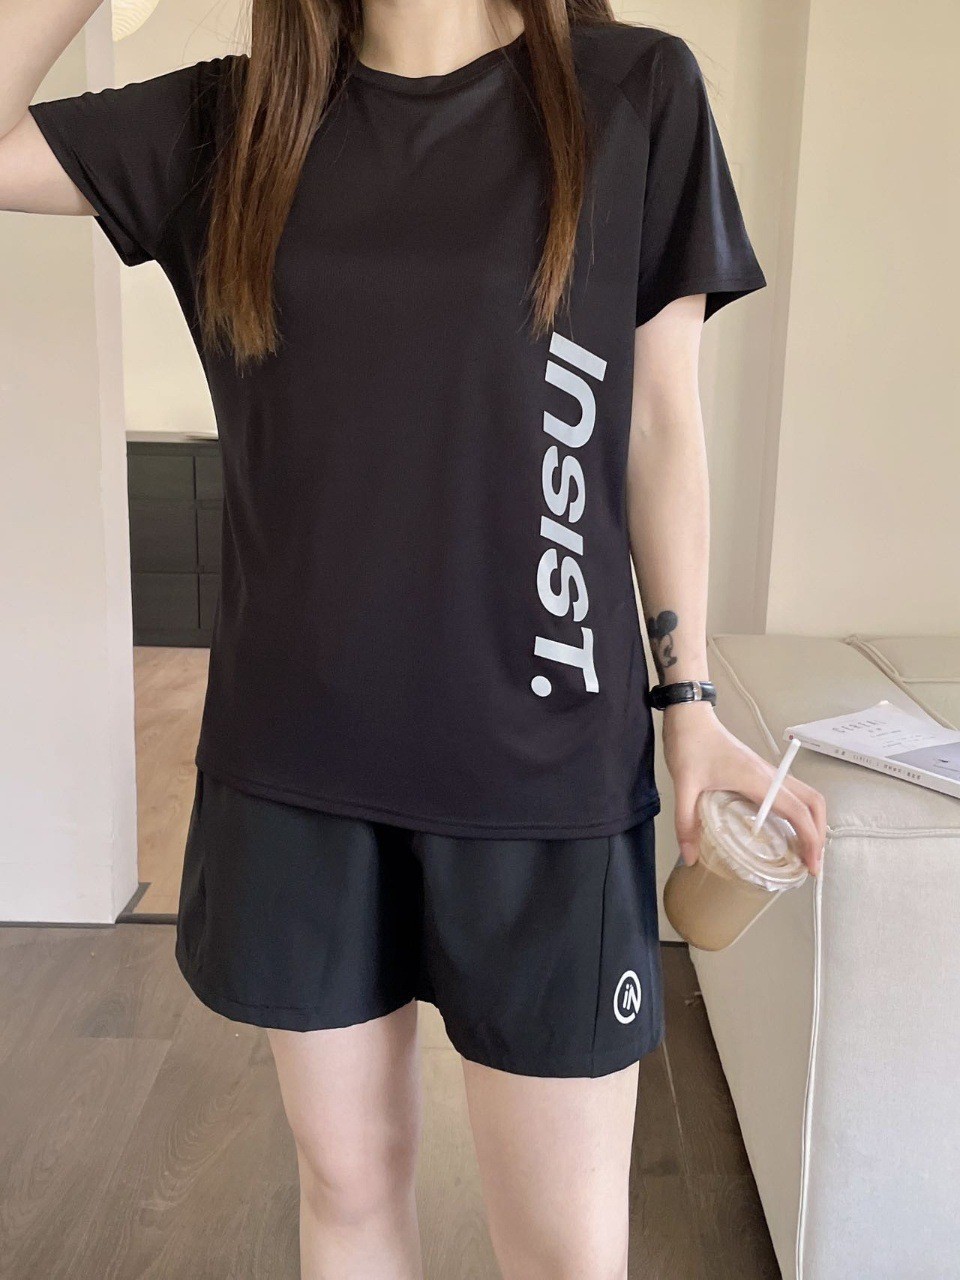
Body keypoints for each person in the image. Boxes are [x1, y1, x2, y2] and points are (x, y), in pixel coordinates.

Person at [0, 1, 827, 1276]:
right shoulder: (232, 121)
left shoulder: (634, 93)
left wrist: (690, 703)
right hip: (297, 769)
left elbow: (659, 424)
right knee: (346, 1186)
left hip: (542, 771)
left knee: (562, 1243)